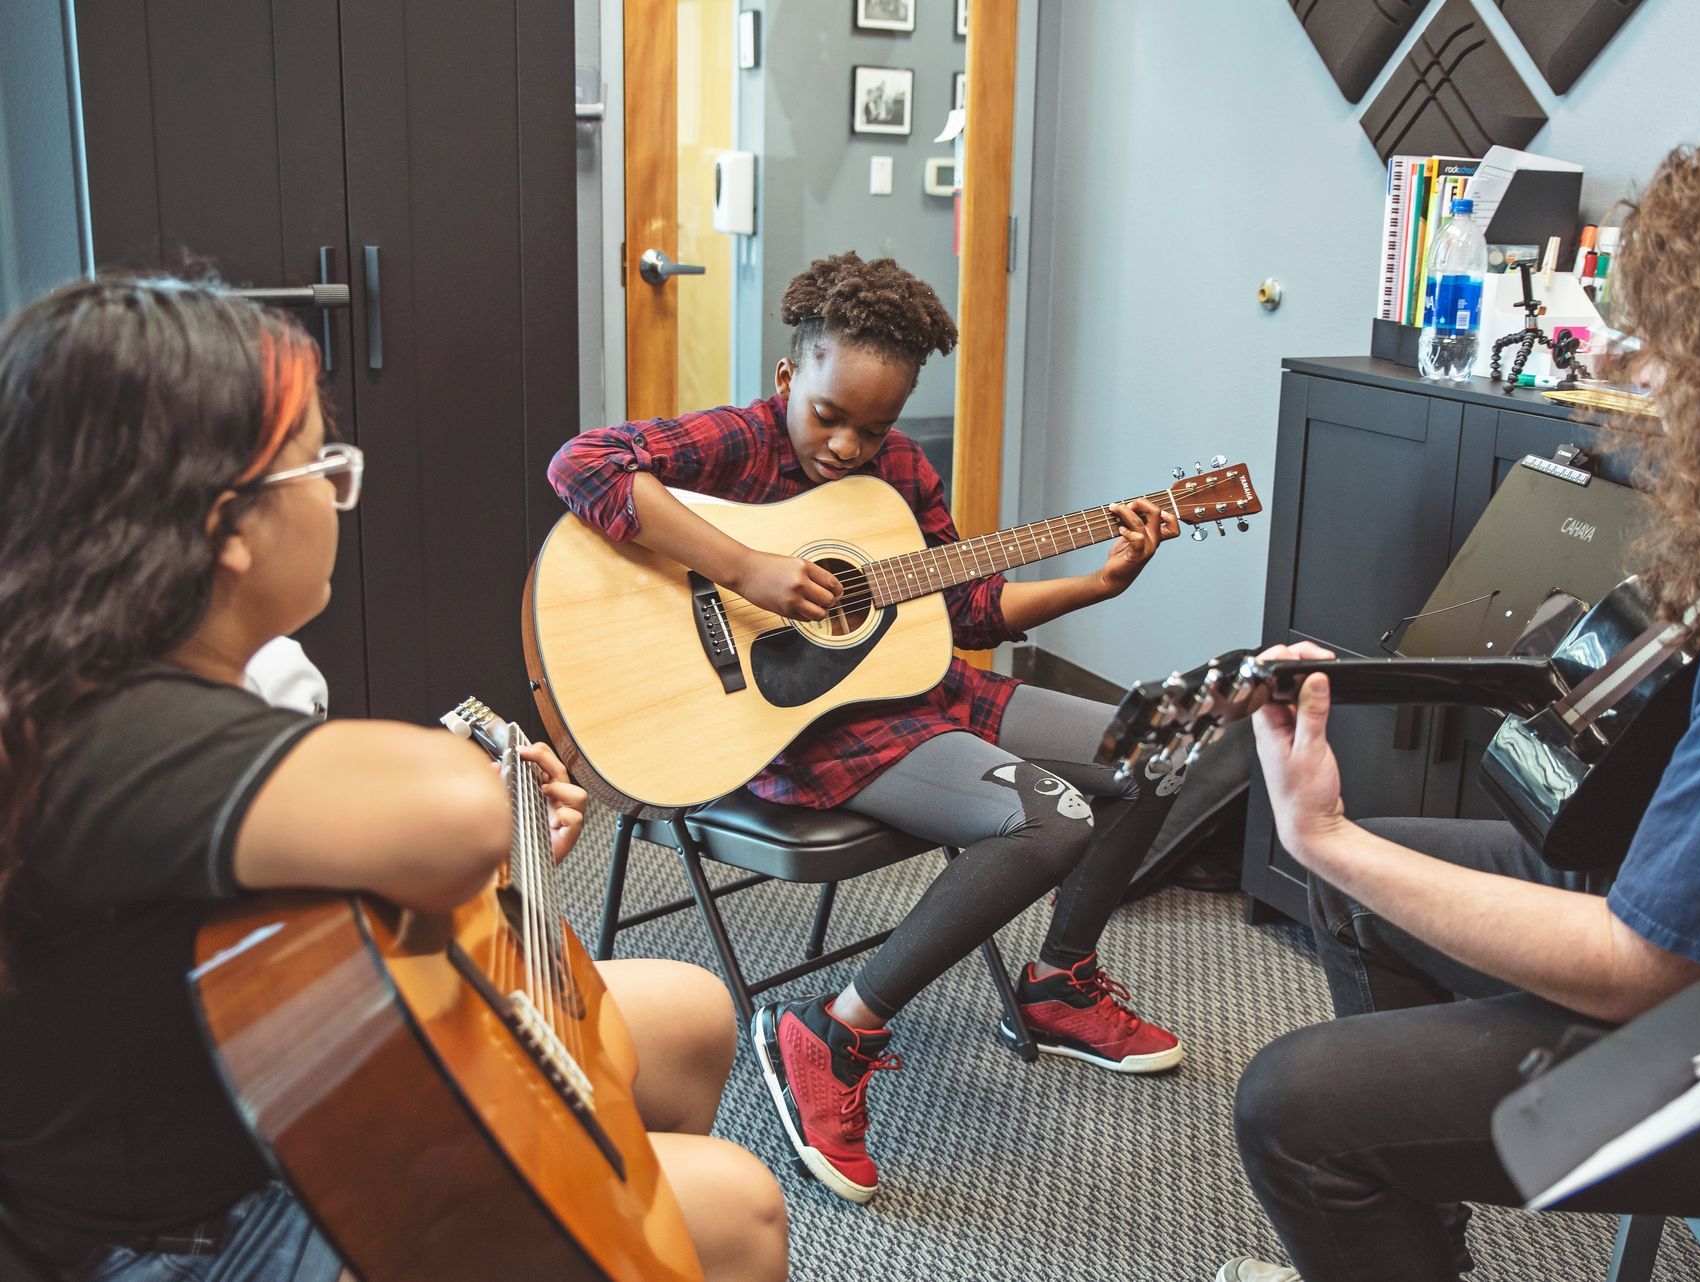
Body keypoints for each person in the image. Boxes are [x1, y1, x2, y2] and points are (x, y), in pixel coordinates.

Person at [1220, 120, 1700, 1282]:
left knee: (1294, 1104)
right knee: (1375, 889)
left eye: (1666, 346)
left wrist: (1323, 835)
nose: (1642, 376)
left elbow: (1649, 964)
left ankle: (1370, 1204)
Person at [0, 277, 787, 1282]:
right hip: (177, 1236)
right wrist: (480, 823)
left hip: (249, 1095)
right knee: (739, 1209)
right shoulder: (108, 728)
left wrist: (485, 862)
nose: (338, 494)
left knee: (688, 1016)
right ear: (226, 527)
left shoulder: (105, 677)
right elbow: (451, 810)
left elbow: (286, 914)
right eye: (322, 467)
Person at [548, 251, 1188, 1204]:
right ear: (787, 378)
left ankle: (1057, 984)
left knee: (1156, 751)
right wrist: (745, 568)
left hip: (925, 691)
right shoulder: (741, 440)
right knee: (1054, 819)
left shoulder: (898, 475)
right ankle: (831, 1032)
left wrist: (1098, 581)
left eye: (874, 427)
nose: (848, 447)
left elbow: (965, 608)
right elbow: (582, 465)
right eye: (829, 416)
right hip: (801, 728)